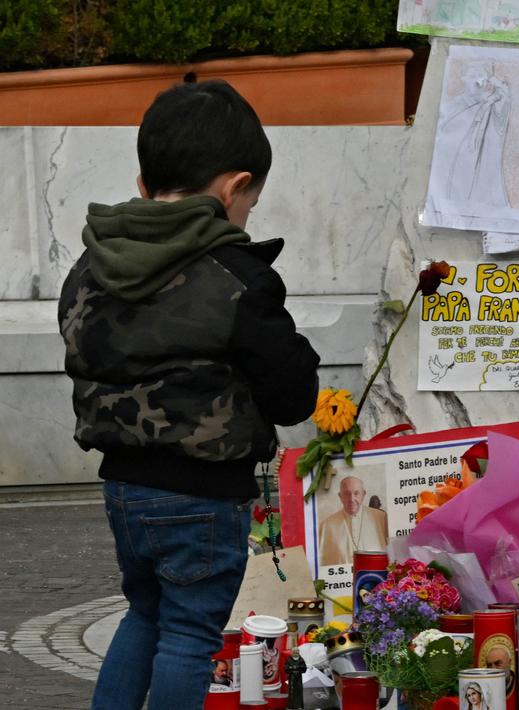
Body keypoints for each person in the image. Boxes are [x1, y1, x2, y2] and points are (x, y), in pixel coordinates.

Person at [58, 80, 320, 709]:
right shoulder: (236, 277)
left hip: (122, 488)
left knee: (144, 615)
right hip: (202, 496)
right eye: (249, 205)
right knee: (188, 633)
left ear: (146, 185)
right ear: (234, 187)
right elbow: (291, 396)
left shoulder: (90, 267)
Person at [440, 61, 510, 207]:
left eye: (480, 75)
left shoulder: (492, 101)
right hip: (460, 160)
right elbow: (445, 129)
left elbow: (504, 101)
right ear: (463, 79)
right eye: (472, 76)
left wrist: (494, 82)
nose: (477, 80)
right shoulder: (454, 104)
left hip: (485, 159)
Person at [317, 475, 390, 566]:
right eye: (347, 494)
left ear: (363, 494)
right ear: (340, 496)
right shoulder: (326, 525)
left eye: (356, 493)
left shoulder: (382, 518)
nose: (351, 499)